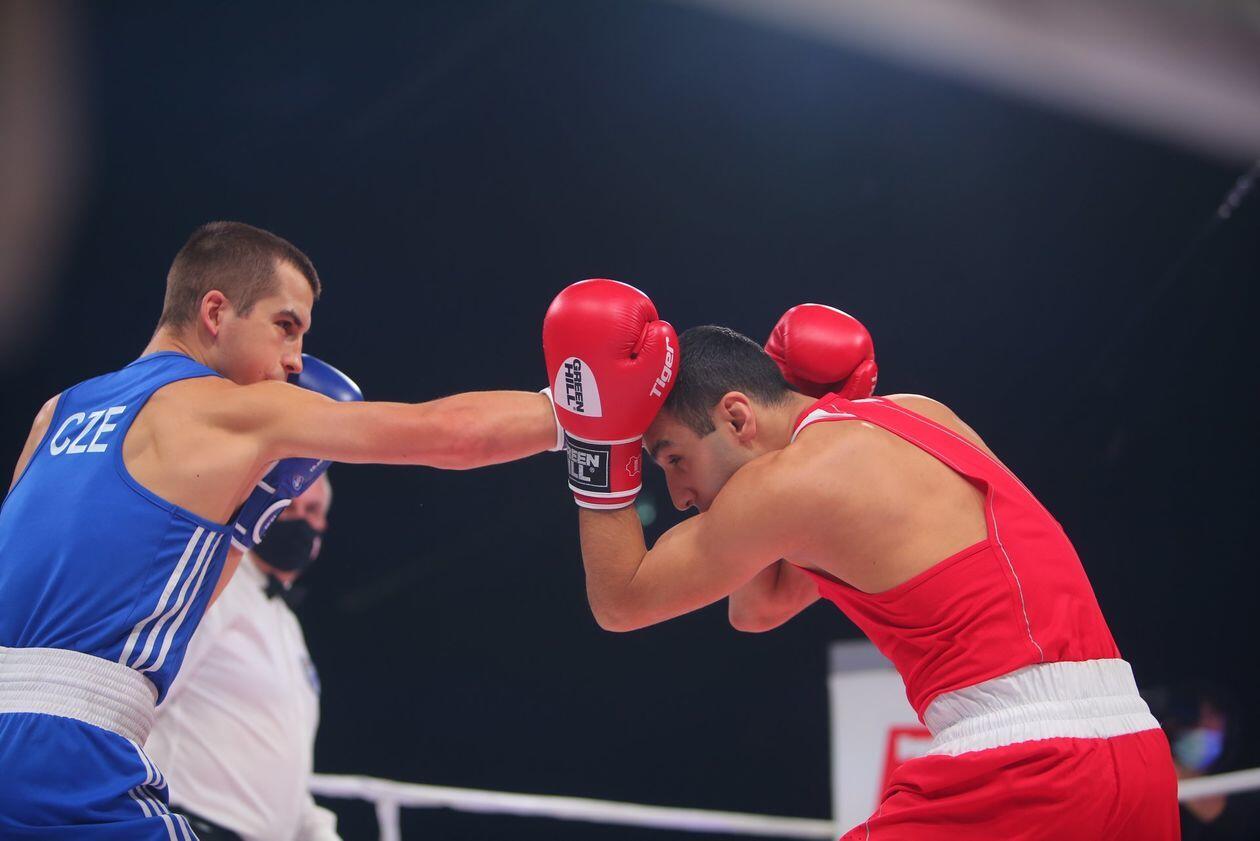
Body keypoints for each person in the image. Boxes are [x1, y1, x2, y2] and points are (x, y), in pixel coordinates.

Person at [541, 279, 1180, 840]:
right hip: (1135, 748)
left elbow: (621, 601)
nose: (679, 495)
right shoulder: (920, 414)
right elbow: (759, 608)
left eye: (674, 458)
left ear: (736, 416)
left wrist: (599, 445)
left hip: (1024, 765)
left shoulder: (787, 484)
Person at [0, 221, 562, 838]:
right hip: (74, 764)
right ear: (216, 311)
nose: (296, 361)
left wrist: (242, 530)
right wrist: (572, 410)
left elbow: (137, 607)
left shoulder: (57, 412)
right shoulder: (233, 409)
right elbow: (444, 434)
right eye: (285, 326)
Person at [146, 474, 339, 841]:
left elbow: (284, 766)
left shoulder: (286, 625)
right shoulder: (217, 590)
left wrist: (318, 831)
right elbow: (141, 701)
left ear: (323, 524)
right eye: (288, 509)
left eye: (311, 510)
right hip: (189, 825)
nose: (299, 520)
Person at [1149, 683, 1260, 840]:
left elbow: (1229, 819)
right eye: (1194, 717)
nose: (1203, 726)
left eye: (1213, 716)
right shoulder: (1157, 787)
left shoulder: (1247, 783)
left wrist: (1164, 763)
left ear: (1229, 725)